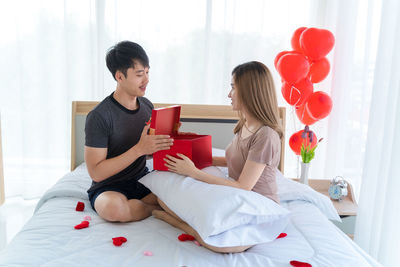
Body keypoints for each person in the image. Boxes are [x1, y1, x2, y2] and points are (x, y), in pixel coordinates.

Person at [153, 61, 283, 253]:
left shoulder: (266, 135)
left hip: (258, 205)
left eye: (233, 87)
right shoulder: (245, 125)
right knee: (165, 199)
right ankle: (185, 221)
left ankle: (176, 223)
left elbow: (244, 186)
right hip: (238, 195)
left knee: (220, 245)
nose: (229, 94)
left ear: (249, 91)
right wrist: (196, 156)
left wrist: (193, 172)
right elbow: (235, 161)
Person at [84, 41, 174, 222]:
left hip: (141, 181)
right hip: (109, 187)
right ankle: (154, 209)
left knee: (183, 192)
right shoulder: (99, 116)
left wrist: (161, 144)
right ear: (119, 76)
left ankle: (143, 205)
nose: (146, 80)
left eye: (147, 72)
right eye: (140, 74)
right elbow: (96, 173)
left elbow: (148, 154)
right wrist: (139, 149)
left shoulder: (147, 106)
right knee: (114, 209)